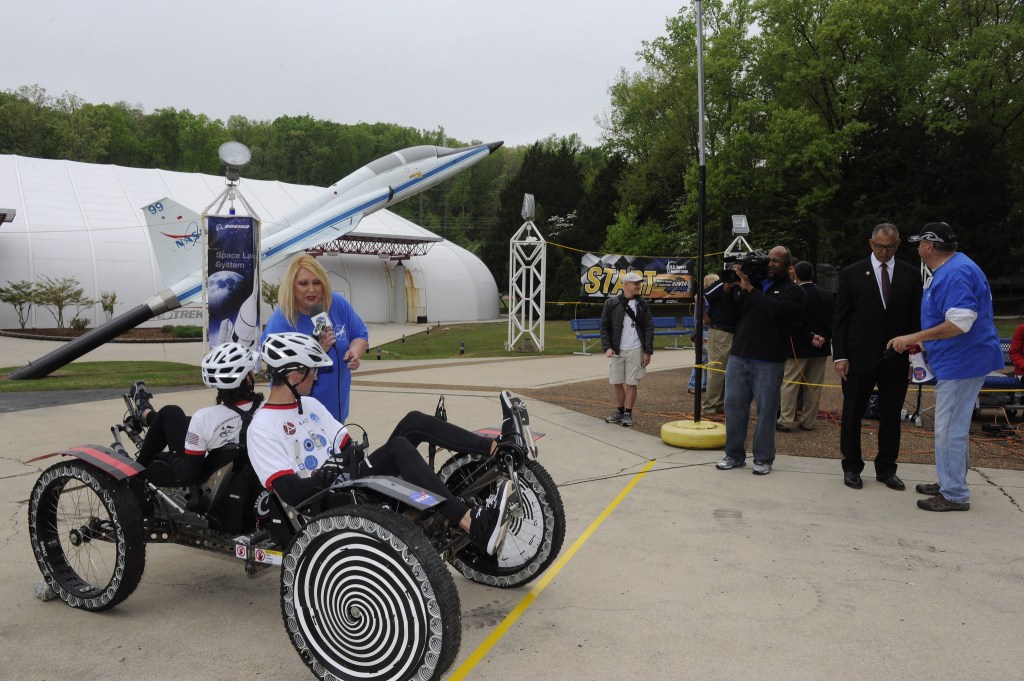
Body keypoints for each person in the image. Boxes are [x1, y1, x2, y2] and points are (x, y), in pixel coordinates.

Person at [247, 332, 515, 555]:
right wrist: (326, 475)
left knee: (414, 422)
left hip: (348, 480)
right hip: (323, 503)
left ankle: (499, 449)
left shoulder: (311, 405)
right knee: (398, 448)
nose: (316, 377)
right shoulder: (262, 427)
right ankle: (472, 523)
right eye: (313, 371)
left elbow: (346, 446)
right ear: (295, 376)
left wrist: (347, 459)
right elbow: (291, 494)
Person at [888, 222, 1004, 512]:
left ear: (929, 246)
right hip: (962, 359)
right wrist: (926, 343)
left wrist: (915, 337)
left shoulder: (955, 273)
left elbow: (960, 322)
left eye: (919, 243)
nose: (917, 248)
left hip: (962, 362)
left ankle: (954, 493)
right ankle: (951, 481)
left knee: (949, 429)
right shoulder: (954, 268)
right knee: (955, 427)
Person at [832, 223, 922, 491]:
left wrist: (914, 358)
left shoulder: (910, 275)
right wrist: (840, 356)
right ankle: (851, 466)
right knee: (852, 413)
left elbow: (915, 319)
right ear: (871, 243)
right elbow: (841, 318)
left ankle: (886, 467)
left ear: (898, 244)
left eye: (891, 247)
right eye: (880, 246)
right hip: (858, 356)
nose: (884, 252)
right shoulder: (852, 273)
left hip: (896, 357)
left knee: (892, 414)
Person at [716, 246, 805, 475]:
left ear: (788, 265)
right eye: (769, 261)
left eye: (776, 261)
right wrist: (728, 291)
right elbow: (732, 316)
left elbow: (779, 313)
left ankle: (764, 458)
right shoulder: (753, 283)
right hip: (739, 355)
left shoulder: (792, 291)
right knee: (733, 407)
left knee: (766, 411)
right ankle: (734, 455)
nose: (771, 265)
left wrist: (751, 291)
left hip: (769, 359)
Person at [129, 342, 264, 485]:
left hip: (205, 478)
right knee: (184, 420)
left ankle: (135, 475)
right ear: (248, 378)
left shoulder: (205, 418)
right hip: (248, 477)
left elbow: (188, 475)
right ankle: (147, 415)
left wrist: (168, 456)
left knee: (171, 413)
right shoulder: (267, 409)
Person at [261, 254, 369, 422]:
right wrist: (317, 351)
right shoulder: (281, 321)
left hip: (336, 413)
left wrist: (355, 351)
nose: (311, 289)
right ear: (292, 286)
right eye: (303, 283)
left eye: (317, 282)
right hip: (299, 415)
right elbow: (280, 373)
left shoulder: (337, 303)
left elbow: (360, 334)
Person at [777, 261, 835, 432]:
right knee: (814, 386)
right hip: (820, 348)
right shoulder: (827, 295)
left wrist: (810, 337)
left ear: (796, 274)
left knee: (790, 383)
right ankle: (809, 421)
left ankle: (786, 419)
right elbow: (833, 320)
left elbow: (792, 321)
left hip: (799, 346)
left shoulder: (794, 293)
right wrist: (824, 337)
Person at [601, 271, 654, 428]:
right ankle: (619, 410)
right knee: (617, 382)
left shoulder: (643, 305)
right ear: (625, 285)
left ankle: (628, 413)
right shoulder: (611, 303)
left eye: (639, 283)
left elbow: (649, 327)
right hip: (617, 350)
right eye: (635, 283)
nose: (638, 286)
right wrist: (607, 347)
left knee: (632, 383)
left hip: (636, 349)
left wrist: (648, 351)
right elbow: (604, 327)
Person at [701, 272, 735, 414]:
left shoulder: (738, 284)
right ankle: (709, 407)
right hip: (720, 331)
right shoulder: (719, 285)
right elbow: (700, 296)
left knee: (727, 371)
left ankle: (719, 404)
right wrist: (705, 316)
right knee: (716, 370)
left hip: (733, 331)